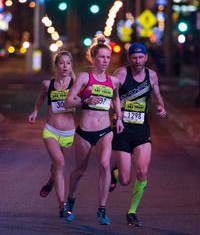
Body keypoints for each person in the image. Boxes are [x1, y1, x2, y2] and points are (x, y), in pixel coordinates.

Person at [63, 36, 124, 225]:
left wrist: (119, 117)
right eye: (102, 57)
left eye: (108, 57)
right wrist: (85, 101)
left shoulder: (113, 81)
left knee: (105, 165)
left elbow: (115, 100)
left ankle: (102, 209)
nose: (105, 61)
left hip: (105, 130)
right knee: (80, 170)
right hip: (85, 132)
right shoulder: (83, 77)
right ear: (93, 58)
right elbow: (68, 101)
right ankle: (71, 200)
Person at [110, 42, 166, 227]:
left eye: (141, 57)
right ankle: (115, 172)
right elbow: (111, 96)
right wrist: (116, 115)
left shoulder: (152, 76)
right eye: (134, 57)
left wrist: (161, 108)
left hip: (142, 129)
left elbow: (157, 95)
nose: (137, 60)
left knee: (142, 171)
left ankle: (132, 211)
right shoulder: (122, 74)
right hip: (122, 129)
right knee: (125, 180)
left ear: (146, 58)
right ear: (129, 58)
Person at [28, 50, 76, 217]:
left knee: (56, 166)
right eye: (61, 63)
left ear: (71, 66)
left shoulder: (76, 83)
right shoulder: (47, 84)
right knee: (60, 163)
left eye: (68, 63)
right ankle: (61, 205)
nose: (65, 66)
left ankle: (50, 182)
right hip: (51, 130)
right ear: (56, 65)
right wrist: (35, 111)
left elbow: (86, 99)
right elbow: (41, 97)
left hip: (69, 132)